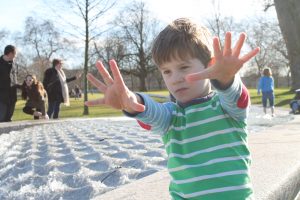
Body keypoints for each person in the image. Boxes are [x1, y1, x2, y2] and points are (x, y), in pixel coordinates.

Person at [85, 18, 260, 199]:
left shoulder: (225, 108)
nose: (175, 78)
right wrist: (131, 100)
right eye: (167, 71)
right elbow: (152, 113)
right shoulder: (171, 116)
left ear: (210, 65)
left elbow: (237, 98)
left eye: (183, 67)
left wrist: (226, 79)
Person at [0, 45, 19, 122]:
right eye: (15, 54)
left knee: (9, 119)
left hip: (12, 96)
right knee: (1, 118)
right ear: (10, 53)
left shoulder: (15, 64)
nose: (16, 56)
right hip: (2, 97)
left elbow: (15, 79)